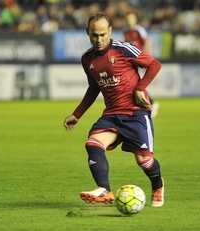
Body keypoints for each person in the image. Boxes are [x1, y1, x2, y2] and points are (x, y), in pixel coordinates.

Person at [63, 13, 164, 207]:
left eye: (103, 34)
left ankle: (158, 184)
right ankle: (104, 190)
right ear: (87, 33)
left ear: (110, 31)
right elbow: (94, 88)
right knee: (93, 144)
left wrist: (140, 88)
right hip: (111, 115)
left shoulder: (123, 50)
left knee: (144, 161)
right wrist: (77, 114)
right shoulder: (87, 59)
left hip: (135, 113)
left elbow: (154, 64)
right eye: (94, 35)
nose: (99, 40)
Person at [123, 11, 160, 118]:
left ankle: (151, 103)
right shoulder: (126, 32)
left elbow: (147, 43)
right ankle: (148, 103)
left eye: (131, 19)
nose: (130, 21)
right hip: (131, 62)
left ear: (135, 20)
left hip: (139, 61)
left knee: (137, 84)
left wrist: (148, 59)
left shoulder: (139, 30)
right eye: (128, 19)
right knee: (135, 83)